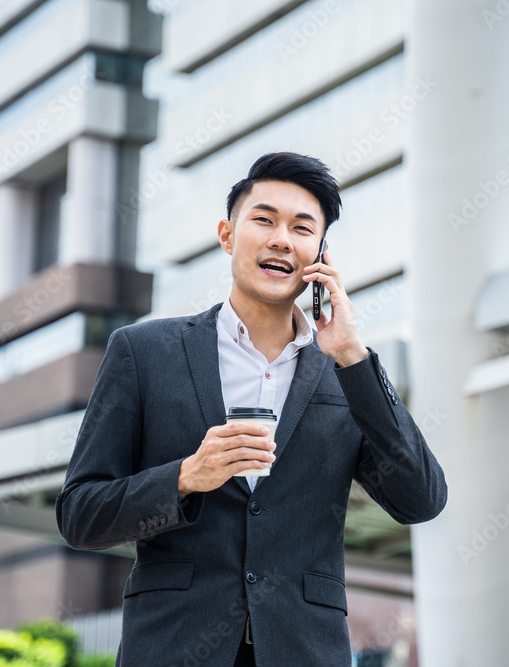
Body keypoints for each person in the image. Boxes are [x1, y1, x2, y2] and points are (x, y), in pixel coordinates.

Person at [55, 152, 448, 666]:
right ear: (227, 235)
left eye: (302, 228)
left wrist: (354, 356)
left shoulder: (345, 373)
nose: (282, 238)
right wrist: (185, 477)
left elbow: (421, 499)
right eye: (263, 220)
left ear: (320, 254)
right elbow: (80, 514)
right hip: (174, 648)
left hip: (304, 649)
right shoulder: (144, 352)